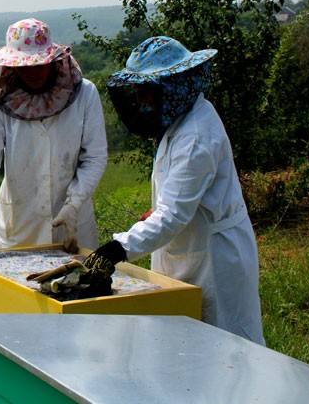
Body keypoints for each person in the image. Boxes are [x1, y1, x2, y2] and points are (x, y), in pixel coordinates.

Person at [63, 36, 265, 345]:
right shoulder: (182, 119)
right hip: (189, 246)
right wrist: (158, 212)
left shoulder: (195, 135)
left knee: (228, 345)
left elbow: (174, 214)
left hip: (214, 260)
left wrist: (116, 249)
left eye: (146, 89)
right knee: (186, 345)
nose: (141, 99)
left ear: (172, 86)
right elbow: (179, 198)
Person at [0, 18, 108, 257]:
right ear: (11, 66)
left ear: (53, 61)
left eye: (39, 64)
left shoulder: (85, 94)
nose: (33, 72)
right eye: (24, 65)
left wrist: (74, 204)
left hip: (72, 223)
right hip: (18, 227)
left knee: (76, 279)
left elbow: (95, 157)